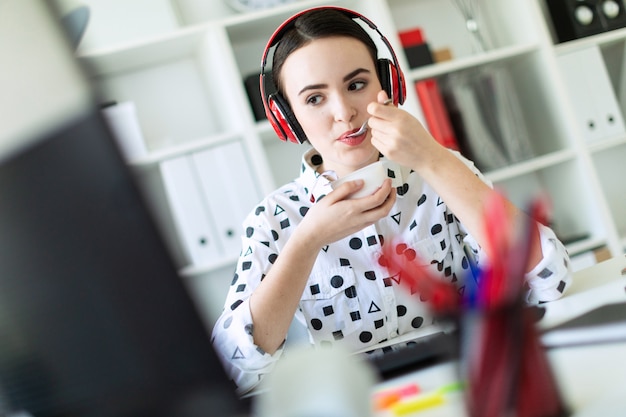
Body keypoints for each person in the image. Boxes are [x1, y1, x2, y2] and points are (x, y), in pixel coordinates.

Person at [211, 6, 573, 395]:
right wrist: (307, 240)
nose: (344, 112)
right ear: (288, 117)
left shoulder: (441, 170)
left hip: (472, 385)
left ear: (388, 84)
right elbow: (233, 369)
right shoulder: (275, 219)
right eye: (315, 99)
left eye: (356, 85)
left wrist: (433, 157)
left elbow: (551, 280)